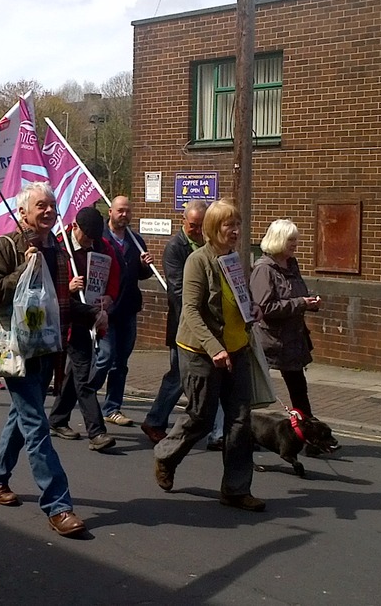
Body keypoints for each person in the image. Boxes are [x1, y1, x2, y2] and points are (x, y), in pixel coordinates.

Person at [0, 181, 86, 538]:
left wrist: (91, 314)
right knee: (36, 424)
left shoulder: (57, 248)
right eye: (41, 205)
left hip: (47, 348)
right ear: (22, 212)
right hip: (16, 350)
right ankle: (58, 505)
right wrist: (22, 270)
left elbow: (57, 304)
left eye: (52, 205)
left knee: (22, 415)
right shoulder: (5, 247)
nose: (49, 211)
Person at [152, 199, 265, 512]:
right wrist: (215, 348)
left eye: (238, 224)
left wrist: (252, 308)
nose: (236, 230)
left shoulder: (234, 260)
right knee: (201, 418)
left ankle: (236, 489)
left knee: (240, 420)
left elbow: (239, 298)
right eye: (230, 225)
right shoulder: (197, 261)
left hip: (237, 350)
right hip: (201, 352)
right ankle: (166, 455)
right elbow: (189, 310)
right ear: (214, 227)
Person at [141, 201, 224, 449]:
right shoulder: (175, 248)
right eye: (193, 225)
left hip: (211, 327)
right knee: (179, 377)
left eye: (201, 226)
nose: (197, 230)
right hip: (184, 326)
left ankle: (218, 431)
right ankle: (155, 421)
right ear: (183, 221)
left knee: (206, 378)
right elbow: (178, 292)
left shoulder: (211, 245)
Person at [251, 219, 338, 454]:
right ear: (278, 239)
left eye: (295, 240)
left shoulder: (291, 264)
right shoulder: (264, 269)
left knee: (299, 392)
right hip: (271, 341)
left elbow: (296, 296)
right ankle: (243, 433)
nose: (295, 244)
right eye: (291, 240)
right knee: (252, 391)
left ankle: (312, 439)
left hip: (293, 339)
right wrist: (300, 303)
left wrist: (310, 303)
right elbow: (264, 308)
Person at [48, 206, 117, 452]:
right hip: (68, 320)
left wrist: (109, 297)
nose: (90, 242)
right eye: (86, 237)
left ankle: (57, 419)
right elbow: (46, 285)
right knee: (83, 375)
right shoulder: (59, 247)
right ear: (75, 227)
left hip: (90, 318)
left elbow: (114, 274)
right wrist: (67, 287)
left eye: (93, 238)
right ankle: (96, 432)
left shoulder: (103, 247)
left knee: (76, 373)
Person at [94, 195, 154, 426]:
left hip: (128, 309)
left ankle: (112, 408)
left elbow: (141, 275)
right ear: (110, 211)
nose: (124, 215)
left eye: (128, 211)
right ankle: (85, 392)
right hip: (106, 310)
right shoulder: (100, 238)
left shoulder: (135, 240)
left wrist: (145, 266)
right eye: (120, 210)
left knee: (121, 363)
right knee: (105, 357)